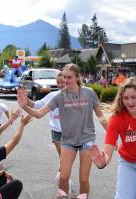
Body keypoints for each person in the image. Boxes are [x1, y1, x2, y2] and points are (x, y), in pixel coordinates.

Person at [17, 63, 108, 197]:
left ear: (78, 77)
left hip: (87, 139)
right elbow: (39, 113)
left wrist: (110, 133)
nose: (65, 80)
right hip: (68, 140)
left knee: (83, 178)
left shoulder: (89, 93)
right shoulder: (59, 96)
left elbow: (100, 114)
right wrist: (25, 107)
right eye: (64, 77)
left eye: (69, 77)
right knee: (63, 177)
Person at [25, 72, 65, 179]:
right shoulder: (52, 95)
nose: (60, 84)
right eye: (58, 82)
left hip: (71, 131)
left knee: (66, 158)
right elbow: (36, 105)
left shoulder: (76, 96)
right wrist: (25, 99)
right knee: (63, 156)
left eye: (63, 81)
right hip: (57, 131)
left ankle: (63, 177)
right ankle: (63, 179)